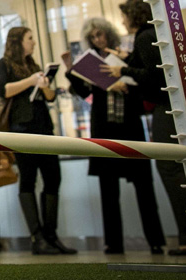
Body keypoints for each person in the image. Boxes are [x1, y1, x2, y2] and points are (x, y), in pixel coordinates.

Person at [63, 17, 166, 254]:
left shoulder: (126, 56)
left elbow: (144, 85)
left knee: (144, 187)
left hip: (130, 129)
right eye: (93, 37)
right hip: (104, 131)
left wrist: (125, 82)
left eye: (100, 34)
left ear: (109, 33)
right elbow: (83, 92)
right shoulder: (92, 63)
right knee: (108, 191)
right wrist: (70, 70)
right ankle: (113, 243)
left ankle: (156, 241)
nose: (98, 39)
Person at [102, 0, 186, 255]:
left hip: (168, 107)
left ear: (132, 16)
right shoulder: (152, 35)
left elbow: (155, 77)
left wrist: (123, 71)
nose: (122, 21)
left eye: (124, 16)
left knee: (169, 166)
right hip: (175, 105)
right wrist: (127, 60)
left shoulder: (143, 37)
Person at [0, 26, 77, 255]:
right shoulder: (4, 65)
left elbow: (49, 97)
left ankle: (51, 235)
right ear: (18, 41)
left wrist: (44, 85)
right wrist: (30, 81)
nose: (34, 42)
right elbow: (3, 90)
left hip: (44, 128)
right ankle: (37, 237)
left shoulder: (34, 65)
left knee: (53, 178)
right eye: (30, 38)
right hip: (21, 129)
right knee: (28, 179)